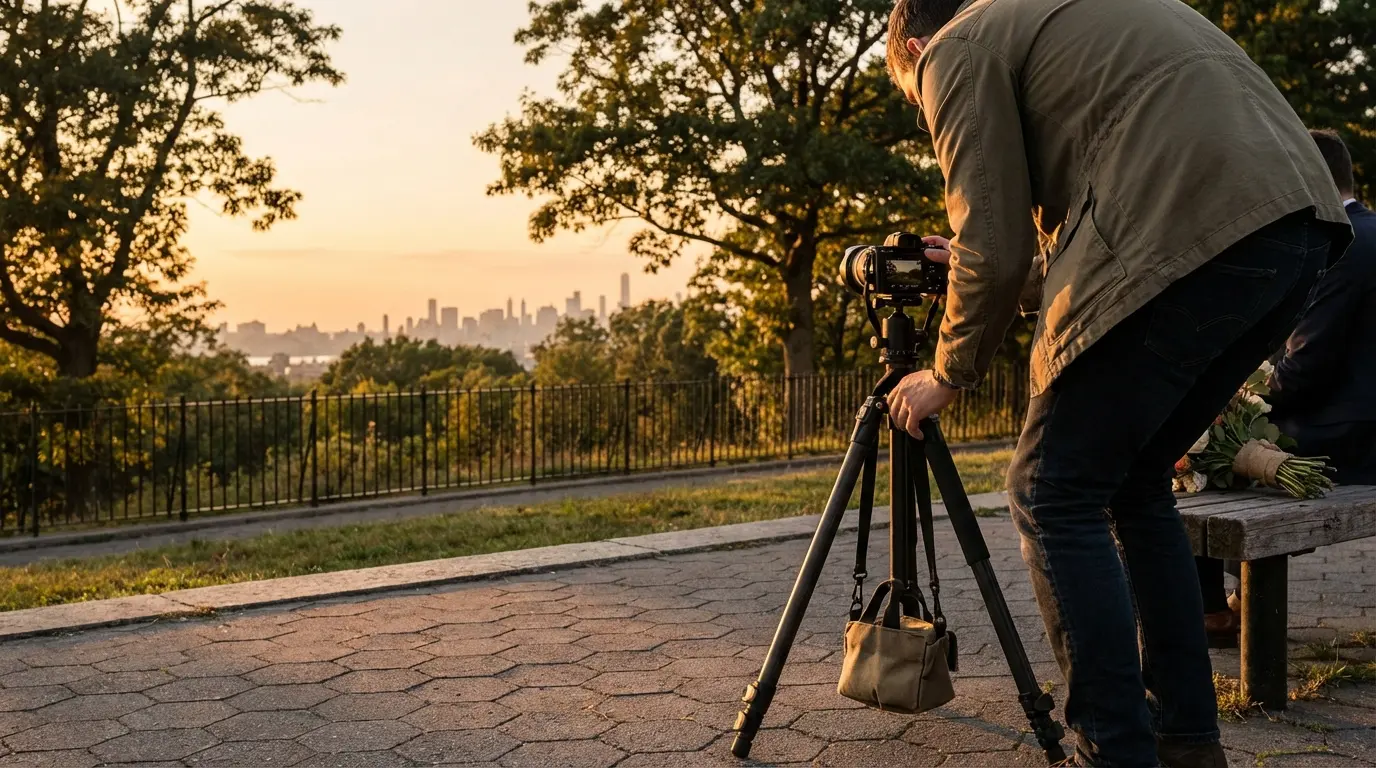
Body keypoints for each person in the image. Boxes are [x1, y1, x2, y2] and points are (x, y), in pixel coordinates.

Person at [880, 0, 1353, 765]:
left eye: (915, 99)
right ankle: (1186, 741)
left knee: (1052, 489)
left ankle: (1114, 749)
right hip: (1294, 222)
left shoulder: (952, 48)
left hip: (1192, 226)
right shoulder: (1060, 20)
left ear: (912, 45)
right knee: (1134, 487)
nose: (926, 106)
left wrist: (946, 372)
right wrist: (997, 278)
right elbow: (1071, 243)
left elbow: (991, 245)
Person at [1196, 130, 1376, 641]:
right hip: (1358, 424)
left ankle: (1211, 610)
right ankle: (1229, 597)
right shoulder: (1368, 234)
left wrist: (1233, 405)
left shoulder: (1343, 246)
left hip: (1348, 440)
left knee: (1195, 453)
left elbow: (1302, 372)